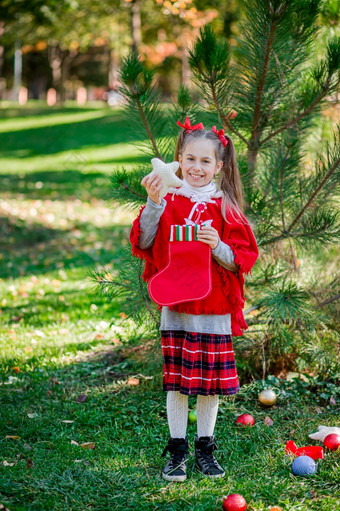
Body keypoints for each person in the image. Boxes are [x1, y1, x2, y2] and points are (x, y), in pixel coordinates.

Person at [130, 117, 258, 482]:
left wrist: (217, 245)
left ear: (219, 166)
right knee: (178, 381)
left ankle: (205, 447)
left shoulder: (225, 207)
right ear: (179, 161)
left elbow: (242, 259)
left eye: (205, 162)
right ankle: (176, 450)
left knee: (208, 383)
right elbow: (142, 241)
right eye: (190, 159)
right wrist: (153, 203)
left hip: (213, 308)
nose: (196, 168)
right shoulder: (168, 201)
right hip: (177, 305)